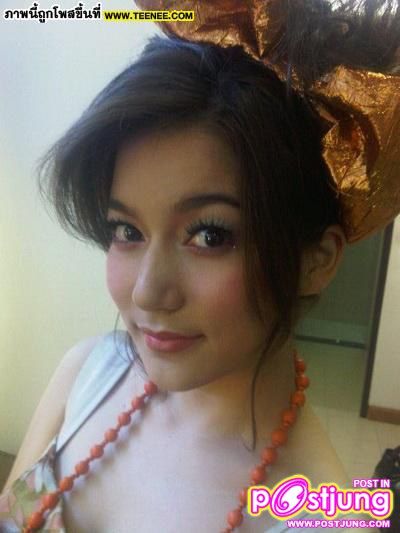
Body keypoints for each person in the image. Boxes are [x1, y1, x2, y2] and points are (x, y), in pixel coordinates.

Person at [1, 0, 399, 531]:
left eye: (210, 235)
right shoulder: (87, 371)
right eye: (127, 231)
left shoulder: (320, 516)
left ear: (317, 259)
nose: (146, 292)